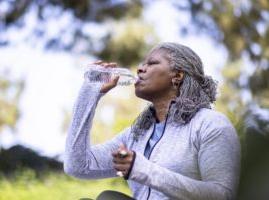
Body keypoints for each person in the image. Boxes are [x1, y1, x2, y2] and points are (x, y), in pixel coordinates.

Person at [64, 42, 241, 200]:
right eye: (142, 63)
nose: (140, 69)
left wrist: (143, 169)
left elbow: (223, 194)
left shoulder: (210, 124)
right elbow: (78, 166)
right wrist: (89, 95)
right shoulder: (136, 135)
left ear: (178, 76)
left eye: (152, 63)